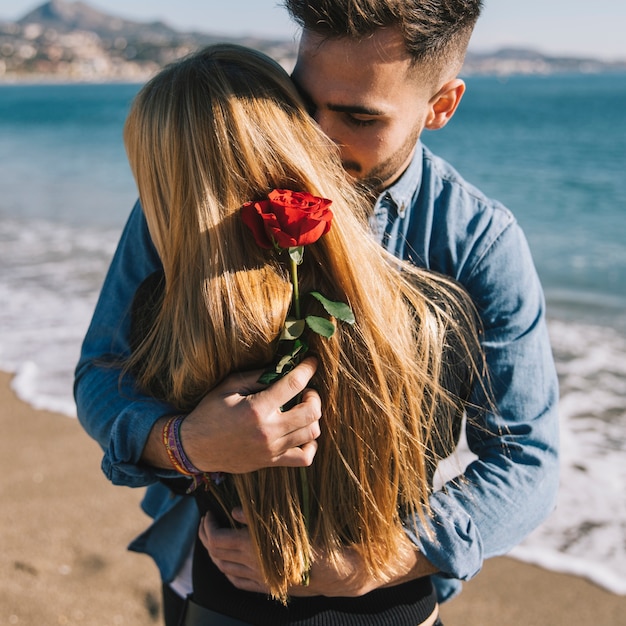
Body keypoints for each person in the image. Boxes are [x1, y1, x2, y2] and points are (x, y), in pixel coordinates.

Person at [74, 0, 558, 620]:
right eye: (303, 103)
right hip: (213, 578)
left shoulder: (475, 241)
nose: (318, 137)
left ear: (441, 106)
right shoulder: (202, 195)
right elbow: (100, 373)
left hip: (383, 602)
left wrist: (371, 565)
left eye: (358, 116)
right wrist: (186, 444)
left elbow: (527, 459)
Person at [122, 43, 486, 625]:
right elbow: (488, 454)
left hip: (232, 594)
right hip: (396, 607)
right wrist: (377, 558)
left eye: (359, 116)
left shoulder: (163, 319)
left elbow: (113, 394)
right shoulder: (436, 311)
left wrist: (188, 445)